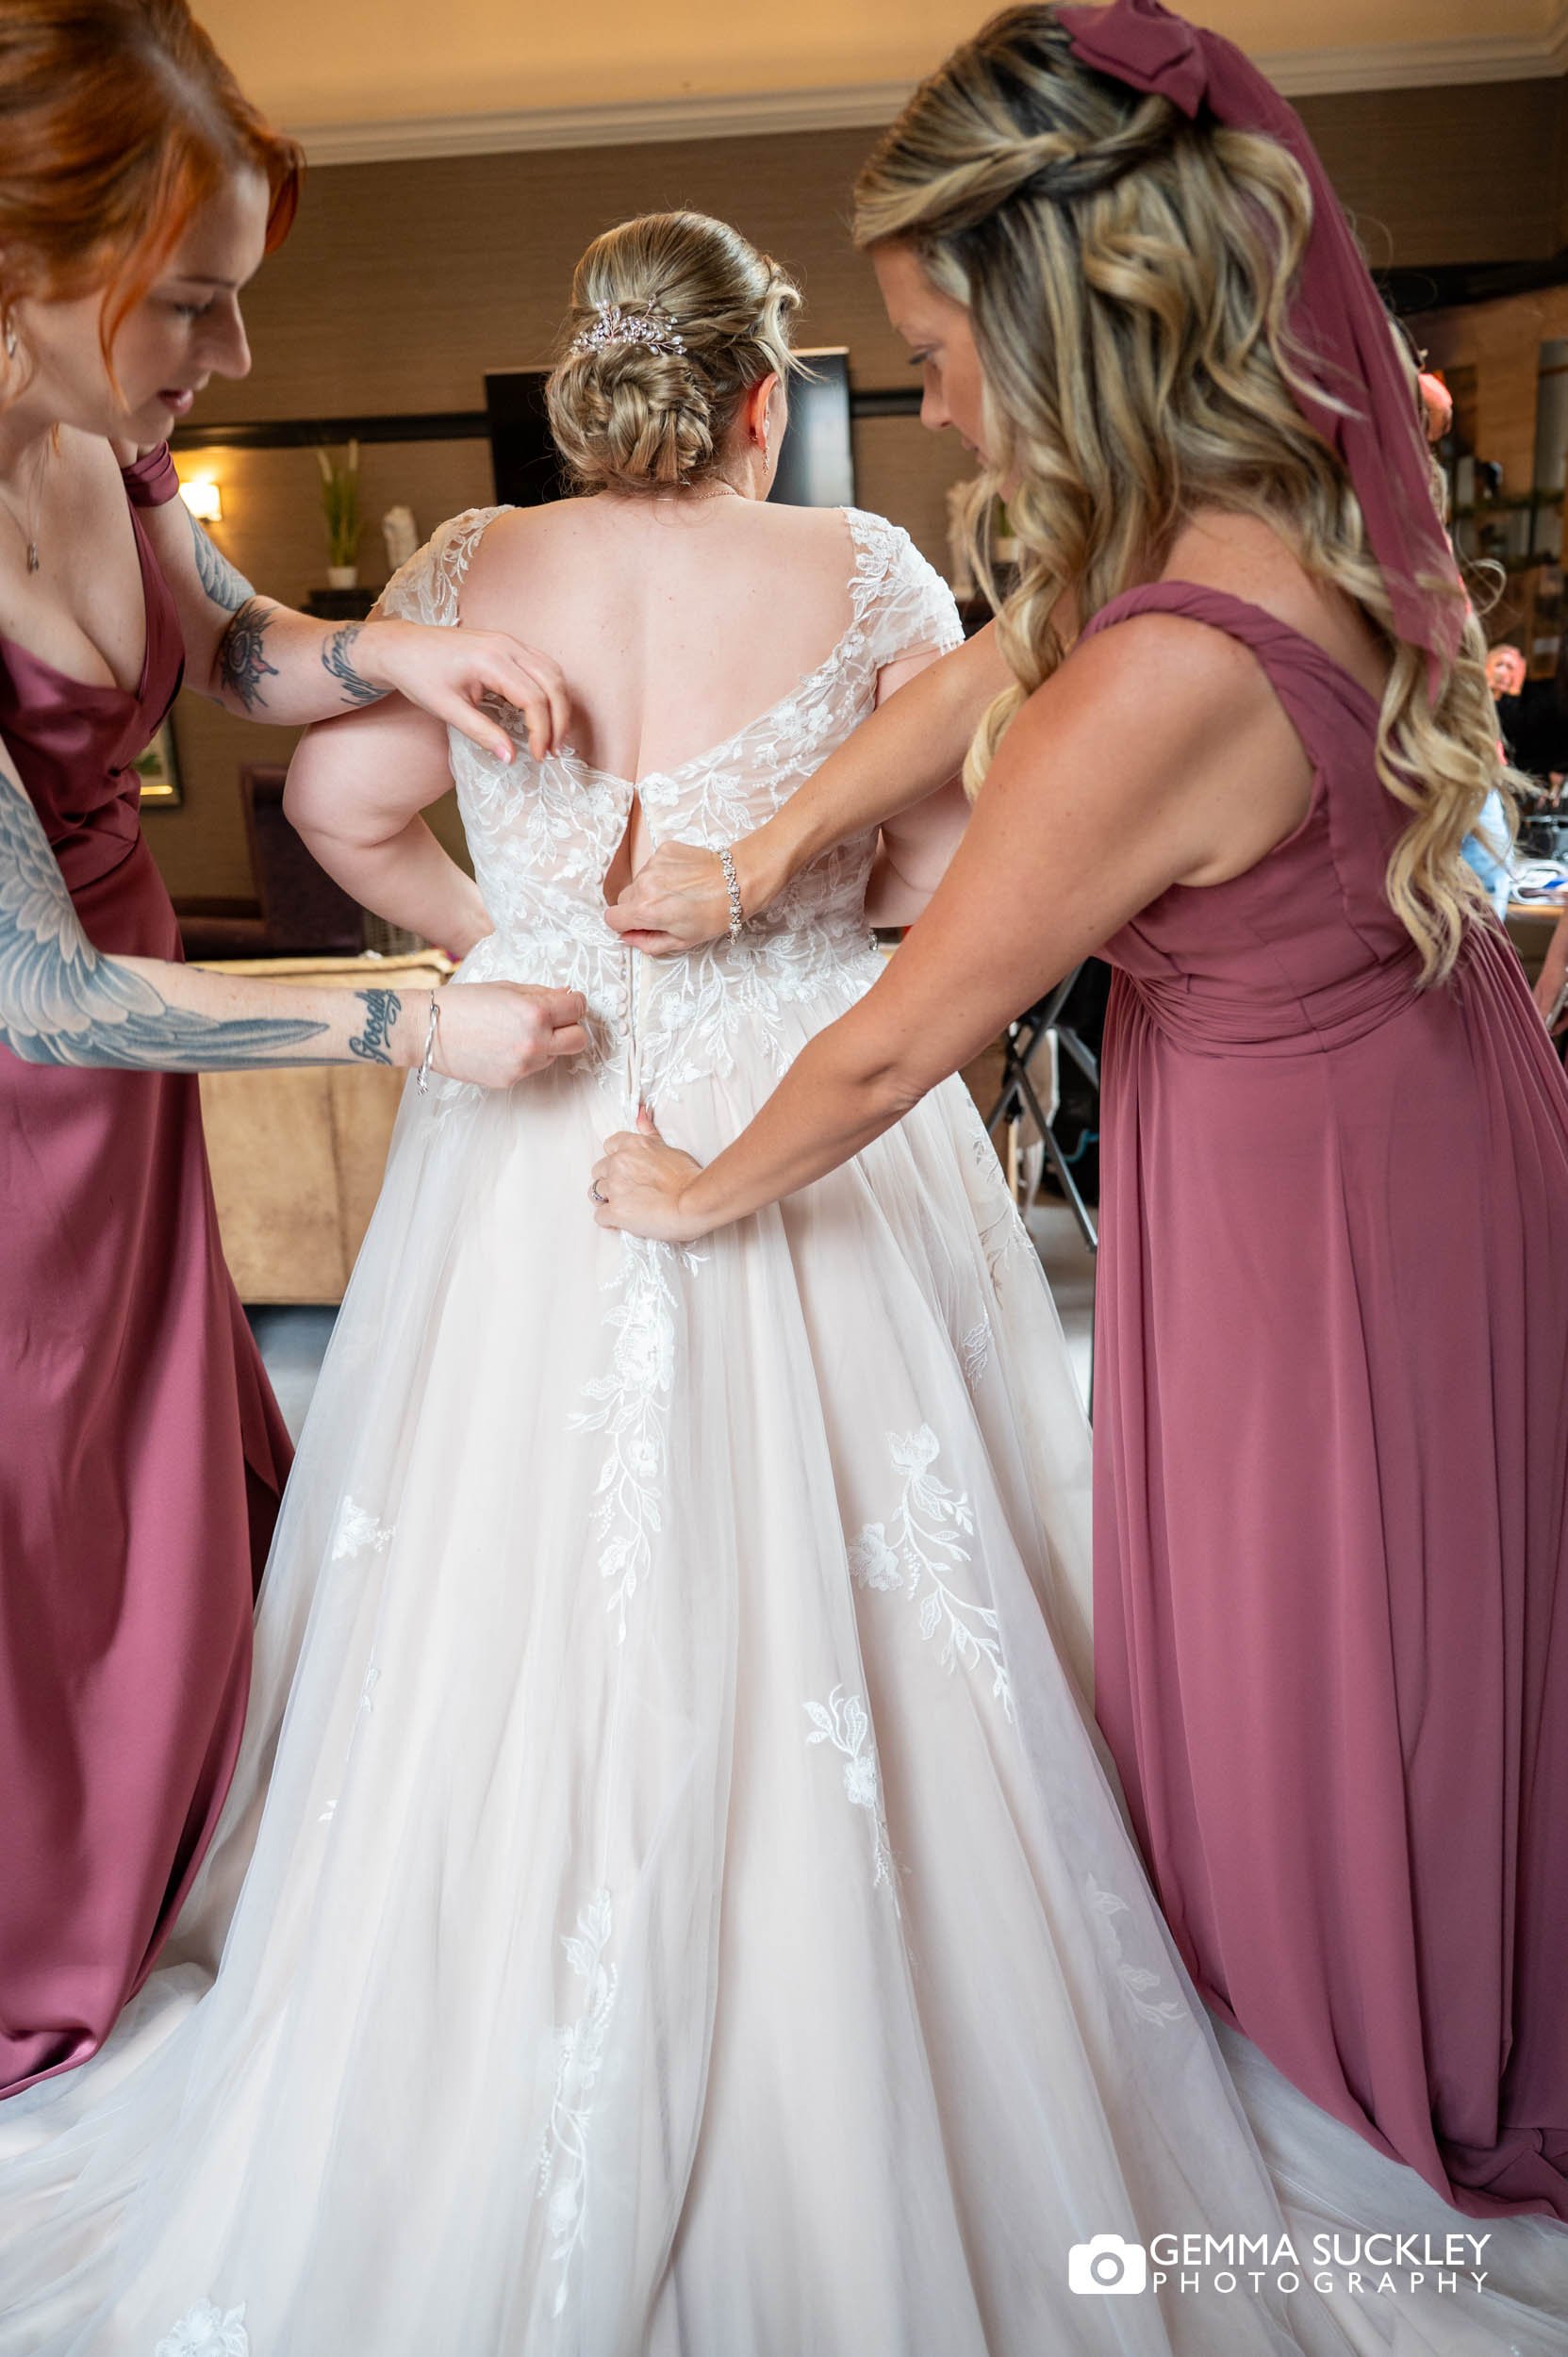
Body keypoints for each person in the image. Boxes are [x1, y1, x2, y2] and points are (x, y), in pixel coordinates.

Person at [0, 206, 1410, 2357]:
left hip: (538, 1117)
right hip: (802, 1097)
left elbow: (354, 798)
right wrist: (815, 900)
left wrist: (520, 946)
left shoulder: (471, 565)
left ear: (588, 386)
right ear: (767, 395)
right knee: (881, 1566)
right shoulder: (858, 574)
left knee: (499, 1587)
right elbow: (952, 858)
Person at [599, 0, 1568, 2243]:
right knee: (1355, 1620)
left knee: (1343, 1637)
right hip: (1379, 1112)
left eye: (938, 341)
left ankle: (1378, 2023)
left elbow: (907, 1032)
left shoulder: (1169, 669)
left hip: (1321, 1187)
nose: (921, 393)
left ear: (1066, 317)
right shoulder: (1264, 491)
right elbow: (979, 666)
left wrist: (693, 1184)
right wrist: (747, 857)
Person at [0, 0, 586, 2104]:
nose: (232, 362)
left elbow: (233, 640)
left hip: (131, 1081)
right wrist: (419, 1016)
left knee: (160, 1481)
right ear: (31, 250)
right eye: (200, 306)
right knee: (35, 1516)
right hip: (32, 1088)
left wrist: (399, 647)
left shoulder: (110, 441)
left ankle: (163, 1845)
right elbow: (43, 994)